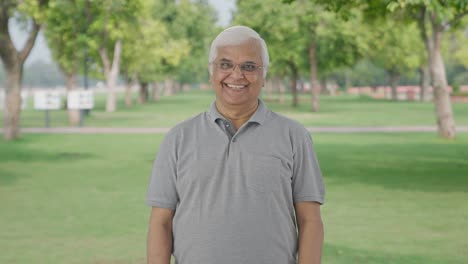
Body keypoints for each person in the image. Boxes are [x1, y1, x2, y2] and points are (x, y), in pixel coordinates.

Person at [146, 25, 325, 264]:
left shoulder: (294, 136)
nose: (237, 75)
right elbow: (160, 222)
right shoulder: (178, 138)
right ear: (212, 73)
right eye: (226, 64)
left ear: (263, 76)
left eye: (249, 66)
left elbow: (310, 221)